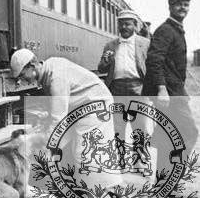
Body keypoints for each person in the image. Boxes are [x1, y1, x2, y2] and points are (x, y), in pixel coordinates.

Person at [10, 49, 122, 187]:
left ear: (32, 66)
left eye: (22, 75)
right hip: (81, 107)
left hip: (95, 105)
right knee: (70, 146)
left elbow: (58, 120)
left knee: (87, 151)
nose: (22, 80)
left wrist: (43, 142)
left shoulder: (56, 77)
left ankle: (110, 191)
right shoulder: (48, 70)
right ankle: (88, 186)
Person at [142, 0, 198, 159]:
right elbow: (154, 59)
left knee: (169, 134)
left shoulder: (176, 30)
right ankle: (171, 171)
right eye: (178, 4)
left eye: (186, 5)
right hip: (169, 93)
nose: (183, 8)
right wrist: (161, 89)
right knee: (189, 132)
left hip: (174, 90)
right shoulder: (166, 30)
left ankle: (166, 179)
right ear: (170, 7)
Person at [98, 10, 150, 96]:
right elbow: (101, 69)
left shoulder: (145, 44)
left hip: (139, 87)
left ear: (135, 25)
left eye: (127, 24)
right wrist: (106, 61)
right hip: (116, 88)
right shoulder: (110, 45)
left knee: (138, 110)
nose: (123, 27)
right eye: (121, 24)